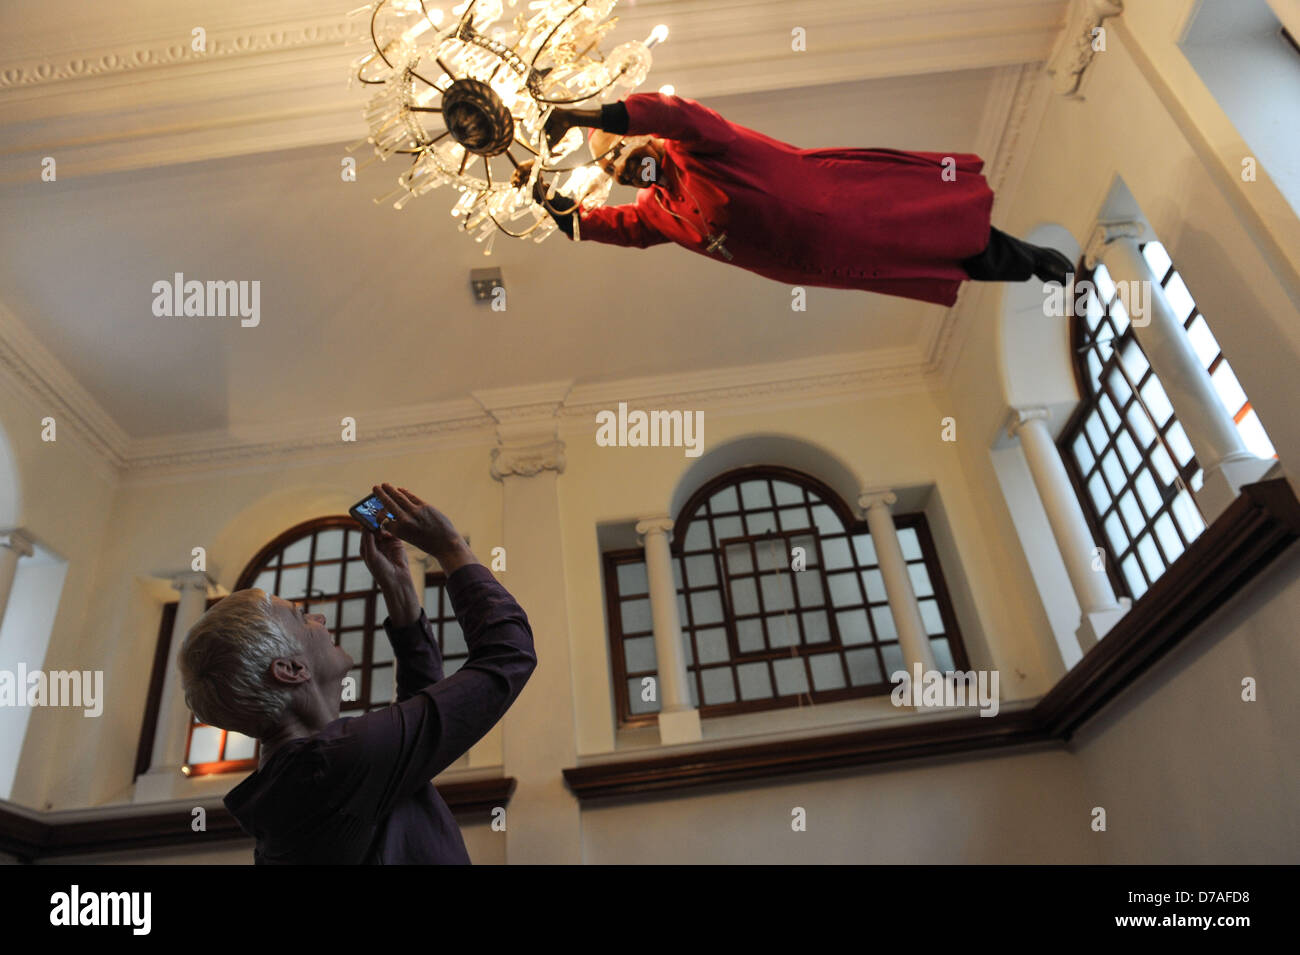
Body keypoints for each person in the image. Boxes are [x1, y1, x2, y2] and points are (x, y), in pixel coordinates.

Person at [177, 484, 536, 864]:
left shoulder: (302, 780)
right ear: (291, 669)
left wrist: (399, 591)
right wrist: (450, 549)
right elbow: (507, 658)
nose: (320, 618)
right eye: (302, 617)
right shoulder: (332, 764)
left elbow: (418, 715)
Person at [514, 92, 1073, 307]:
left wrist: (581, 114)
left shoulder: (699, 147)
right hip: (823, 261)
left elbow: (673, 112)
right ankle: (1026, 269)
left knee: (939, 231)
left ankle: (1040, 263)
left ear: (641, 138)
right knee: (932, 262)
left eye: (622, 149)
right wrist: (539, 191)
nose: (621, 167)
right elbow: (595, 226)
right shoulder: (657, 213)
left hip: (842, 207)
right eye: (610, 166)